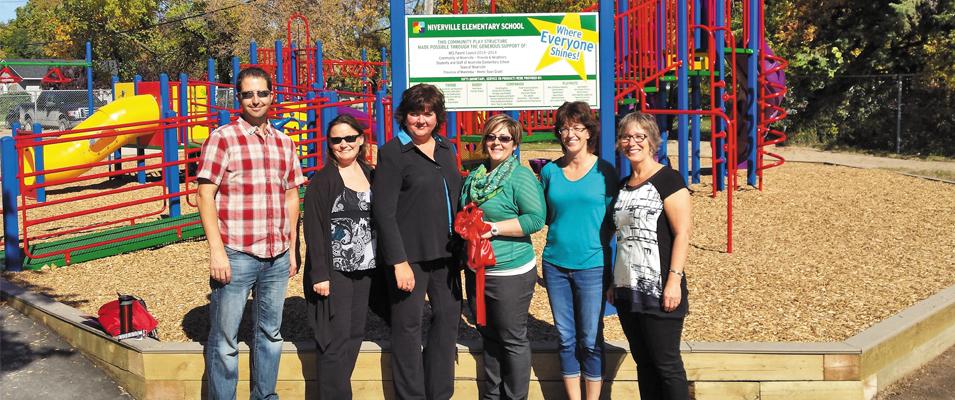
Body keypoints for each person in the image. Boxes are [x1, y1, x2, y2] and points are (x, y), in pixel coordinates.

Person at [196, 66, 305, 400]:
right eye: (248, 94)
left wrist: (292, 246)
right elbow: (204, 194)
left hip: (276, 256)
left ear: (272, 96)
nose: (256, 100)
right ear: (239, 98)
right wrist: (216, 251)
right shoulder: (223, 138)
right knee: (225, 339)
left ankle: (264, 395)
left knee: (270, 335)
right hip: (237, 252)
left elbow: (291, 195)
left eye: (262, 93)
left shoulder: (284, 143)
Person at [372, 83, 463, 400]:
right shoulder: (392, 153)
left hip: (446, 256)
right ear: (404, 116)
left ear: (438, 116)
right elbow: (383, 212)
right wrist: (398, 262)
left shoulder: (446, 148)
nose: (421, 120)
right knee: (408, 327)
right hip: (409, 257)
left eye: (428, 113)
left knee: (448, 319)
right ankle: (411, 395)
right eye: (415, 113)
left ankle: (440, 392)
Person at [460, 114, 545, 400]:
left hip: (510, 272)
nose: (497, 143)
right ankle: (492, 394)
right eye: (492, 137)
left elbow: (535, 219)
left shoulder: (519, 177)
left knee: (511, 338)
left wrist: (493, 228)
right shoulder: (477, 175)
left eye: (504, 138)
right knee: (489, 335)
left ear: (514, 143)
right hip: (477, 270)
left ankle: (515, 395)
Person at [608, 111, 691, 400]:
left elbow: (682, 233)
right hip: (627, 290)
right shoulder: (621, 186)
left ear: (652, 140)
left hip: (658, 289)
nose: (632, 142)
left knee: (667, 366)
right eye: (626, 137)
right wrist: (612, 284)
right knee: (643, 364)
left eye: (639, 136)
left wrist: (674, 282)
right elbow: (621, 237)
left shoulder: (669, 180)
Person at [540, 101, 618, 400]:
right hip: (555, 263)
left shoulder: (604, 171)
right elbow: (545, 215)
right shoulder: (550, 172)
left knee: (589, 338)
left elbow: (614, 221)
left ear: (588, 132)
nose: (570, 134)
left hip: (593, 265)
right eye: (564, 128)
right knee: (565, 337)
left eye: (576, 127)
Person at [303, 114, 377, 399]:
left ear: (360, 139)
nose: (343, 144)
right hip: (335, 271)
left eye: (349, 138)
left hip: (365, 268)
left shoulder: (370, 173)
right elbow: (313, 228)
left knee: (355, 333)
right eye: (336, 139)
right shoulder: (323, 181)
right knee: (334, 338)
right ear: (329, 144)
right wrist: (319, 274)